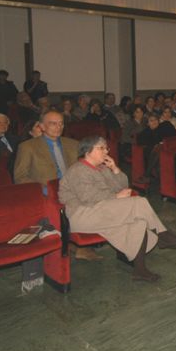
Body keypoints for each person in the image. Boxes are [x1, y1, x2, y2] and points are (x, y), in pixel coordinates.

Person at [59, 136, 176, 282]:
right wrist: (115, 196)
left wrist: (115, 169)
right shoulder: (78, 170)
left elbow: (122, 186)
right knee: (139, 202)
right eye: (101, 148)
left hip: (101, 211)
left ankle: (140, 270)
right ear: (87, 151)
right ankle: (162, 235)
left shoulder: (102, 168)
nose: (106, 151)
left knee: (139, 223)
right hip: (82, 215)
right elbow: (88, 197)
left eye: (106, 148)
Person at [13, 110, 102, 261]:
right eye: (53, 123)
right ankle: (74, 244)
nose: (58, 127)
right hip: (47, 192)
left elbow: (84, 168)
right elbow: (20, 177)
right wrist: (45, 189)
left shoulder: (73, 144)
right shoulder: (28, 147)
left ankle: (83, 241)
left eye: (61, 123)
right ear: (42, 126)